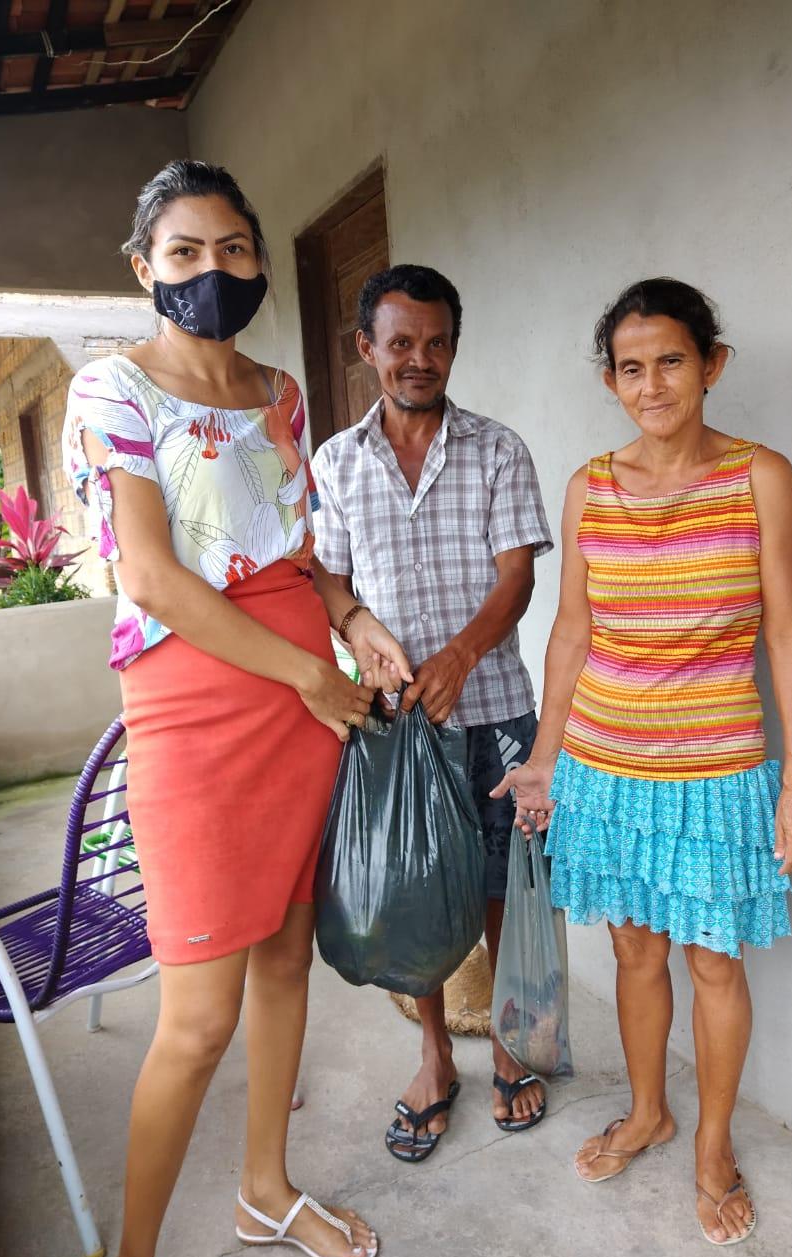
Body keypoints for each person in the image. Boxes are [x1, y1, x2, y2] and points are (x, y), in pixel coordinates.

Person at [62, 160, 413, 1257]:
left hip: (309, 697)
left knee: (284, 962)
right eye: (184, 252)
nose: (212, 270)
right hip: (199, 710)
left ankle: (265, 1187)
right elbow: (157, 580)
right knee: (197, 1017)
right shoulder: (112, 391)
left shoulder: (279, 392)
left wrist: (350, 620)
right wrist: (310, 678)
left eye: (233, 249)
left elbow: (297, 553)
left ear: (259, 259)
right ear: (143, 269)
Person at [492, 278, 792, 1245]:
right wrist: (547, 760)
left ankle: (711, 1145)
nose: (653, 384)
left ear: (712, 364)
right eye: (631, 368)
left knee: (714, 962)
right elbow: (568, 636)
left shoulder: (761, 476)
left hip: (719, 769)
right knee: (634, 948)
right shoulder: (591, 486)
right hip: (604, 762)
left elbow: (791, 636)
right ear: (611, 380)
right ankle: (650, 1111)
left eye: (672, 360)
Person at [311, 264, 554, 1159]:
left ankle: (512, 1047)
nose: (420, 359)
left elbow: (516, 577)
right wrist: (358, 623)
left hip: (491, 711)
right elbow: (329, 580)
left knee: (502, 889)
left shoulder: (497, 449)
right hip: (393, 722)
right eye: (401, 342)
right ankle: (434, 1056)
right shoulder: (336, 463)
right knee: (413, 895)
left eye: (436, 342)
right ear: (368, 348)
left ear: (455, 345)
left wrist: (461, 653)